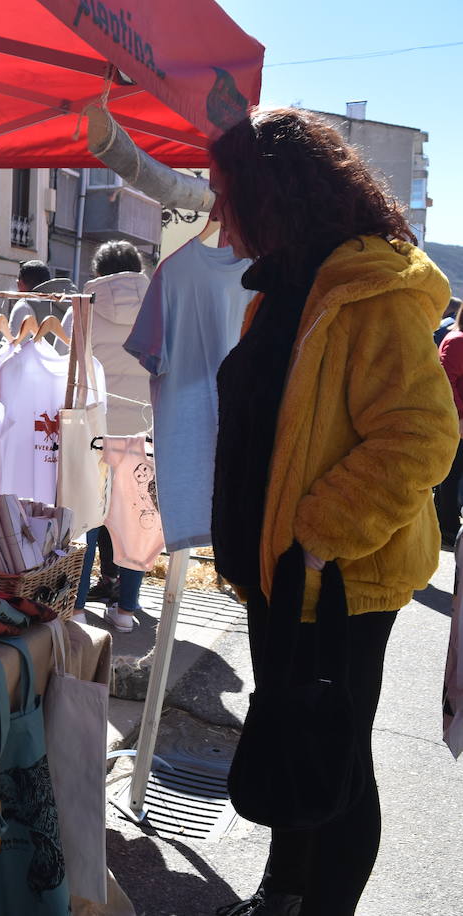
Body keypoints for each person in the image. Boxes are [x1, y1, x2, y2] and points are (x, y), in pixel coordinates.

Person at [208, 108, 456, 916]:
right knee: (290, 732)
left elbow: (422, 436)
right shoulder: (282, 290)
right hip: (280, 575)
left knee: (338, 761)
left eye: (225, 198)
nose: (218, 221)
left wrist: (319, 538)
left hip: (340, 580)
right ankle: (282, 893)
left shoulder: (368, 292)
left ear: (270, 194)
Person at [71, 240, 151, 632]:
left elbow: (67, 365)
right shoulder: (160, 306)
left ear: (99, 270)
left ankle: (78, 606)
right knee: (135, 518)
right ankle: (125, 612)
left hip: (93, 430)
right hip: (144, 428)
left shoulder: (83, 307)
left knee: (88, 518)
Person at [436, 316, 463, 546]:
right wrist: (460, 415)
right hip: (455, 420)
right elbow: (446, 381)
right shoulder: (457, 340)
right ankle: (447, 527)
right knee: (451, 473)